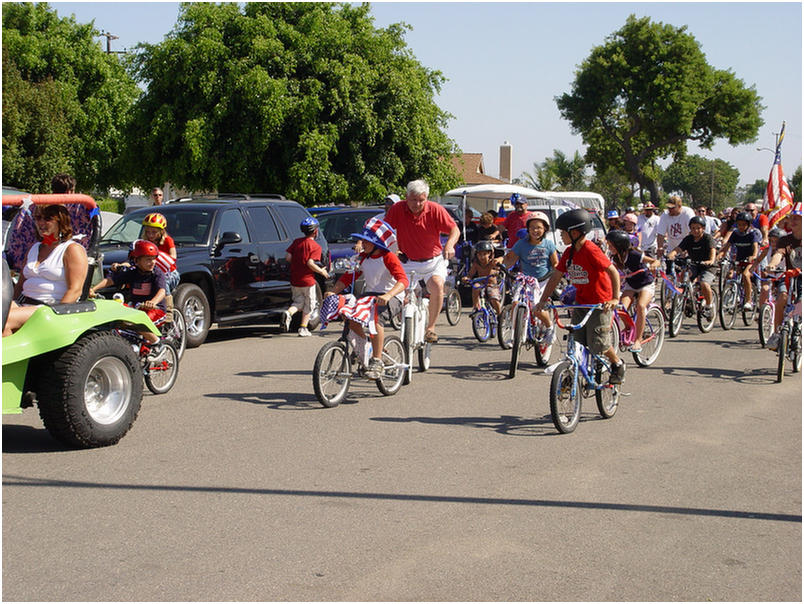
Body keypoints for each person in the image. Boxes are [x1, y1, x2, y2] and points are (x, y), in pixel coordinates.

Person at [536, 208, 626, 385]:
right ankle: (575, 372)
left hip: (600, 303)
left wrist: (615, 298)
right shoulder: (569, 252)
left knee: (598, 343)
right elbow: (556, 276)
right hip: (581, 302)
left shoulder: (591, 250)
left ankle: (617, 364)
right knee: (577, 340)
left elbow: (613, 272)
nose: (561, 236)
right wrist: (542, 300)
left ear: (575, 232)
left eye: (563, 232)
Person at [325, 218, 408, 379]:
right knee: (348, 315)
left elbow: (403, 280)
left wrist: (388, 295)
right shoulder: (362, 258)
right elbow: (348, 277)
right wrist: (333, 292)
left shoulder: (388, 257)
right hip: (371, 296)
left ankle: (376, 361)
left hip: (391, 296)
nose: (362, 243)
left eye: (366, 241)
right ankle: (366, 347)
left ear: (376, 244)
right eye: (362, 240)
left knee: (375, 320)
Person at [384, 179, 460, 343]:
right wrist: (365, 243)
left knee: (437, 285)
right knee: (400, 294)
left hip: (432, 261)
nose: (417, 204)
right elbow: (384, 229)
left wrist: (450, 245)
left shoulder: (435, 209)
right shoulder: (398, 209)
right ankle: (405, 318)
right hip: (407, 261)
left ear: (426, 198)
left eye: (421, 200)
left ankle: (431, 328)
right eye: (413, 200)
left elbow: (454, 229)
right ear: (406, 197)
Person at [3, 204, 89, 336]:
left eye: (48, 218)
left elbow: (75, 290)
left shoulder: (72, 249)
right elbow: (20, 285)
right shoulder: (34, 248)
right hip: (24, 303)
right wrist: (9, 303)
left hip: (49, 309)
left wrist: (58, 315)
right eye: (38, 218)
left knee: (4, 320)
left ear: (60, 221)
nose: (41, 223)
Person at [89, 240, 165, 345]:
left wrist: (153, 302)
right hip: (136, 309)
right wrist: (93, 289)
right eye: (148, 260)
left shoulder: (157, 273)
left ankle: (157, 343)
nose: (152, 262)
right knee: (115, 318)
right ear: (137, 261)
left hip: (155, 310)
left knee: (139, 324)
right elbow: (111, 280)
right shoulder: (132, 273)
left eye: (154, 259)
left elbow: (162, 291)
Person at [502, 211, 559, 342]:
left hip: (543, 280)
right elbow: (510, 259)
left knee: (536, 307)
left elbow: (555, 262)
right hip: (526, 280)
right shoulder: (521, 244)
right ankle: (514, 334)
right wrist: (500, 261)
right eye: (532, 227)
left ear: (545, 229)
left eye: (539, 227)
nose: (535, 230)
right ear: (527, 229)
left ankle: (549, 328)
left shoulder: (549, 244)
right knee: (516, 303)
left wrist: (558, 271)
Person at [605, 230, 660, 352]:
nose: (609, 247)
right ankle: (630, 327)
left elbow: (653, 261)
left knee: (640, 306)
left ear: (620, 245)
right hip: (631, 285)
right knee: (620, 308)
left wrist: (654, 265)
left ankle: (638, 340)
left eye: (611, 245)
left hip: (645, 284)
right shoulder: (615, 257)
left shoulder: (634, 255)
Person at [282, 217, 330, 336]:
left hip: (295, 279)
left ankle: (288, 313)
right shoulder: (315, 246)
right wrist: (321, 272)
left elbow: (288, 257)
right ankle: (303, 328)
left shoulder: (297, 242)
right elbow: (310, 263)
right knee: (310, 304)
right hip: (308, 281)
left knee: (298, 302)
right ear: (316, 231)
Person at [764, 205, 802, 351]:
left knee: (801, 303)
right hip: (789, 277)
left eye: (797, 218)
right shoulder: (785, 240)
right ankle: (777, 334)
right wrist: (772, 265)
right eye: (791, 218)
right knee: (782, 298)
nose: (793, 221)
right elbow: (778, 255)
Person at [666, 216, 717, 315]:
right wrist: (672, 254)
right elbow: (679, 248)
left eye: (698, 228)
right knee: (683, 278)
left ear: (703, 228)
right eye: (693, 228)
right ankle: (688, 297)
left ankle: (709, 306)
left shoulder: (707, 238)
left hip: (708, 266)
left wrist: (710, 260)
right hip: (694, 264)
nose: (695, 230)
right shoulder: (688, 239)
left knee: (704, 284)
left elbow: (712, 250)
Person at [717, 211, 761, 310]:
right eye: (739, 224)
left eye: (744, 225)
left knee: (745, 275)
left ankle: (749, 301)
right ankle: (729, 295)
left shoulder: (753, 233)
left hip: (750, 261)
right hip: (739, 260)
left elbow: (755, 247)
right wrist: (720, 255)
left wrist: (753, 256)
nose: (741, 227)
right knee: (729, 275)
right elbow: (726, 247)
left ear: (749, 224)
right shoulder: (735, 234)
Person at [657, 195, 696, 276]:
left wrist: (685, 248)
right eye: (669, 208)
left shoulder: (688, 213)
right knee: (670, 273)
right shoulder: (665, 215)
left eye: (672, 208)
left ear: (679, 206)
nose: (670, 210)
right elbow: (661, 234)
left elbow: (692, 232)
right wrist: (660, 247)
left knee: (686, 275)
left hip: (686, 248)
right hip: (672, 249)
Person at [464, 240, 503, 314]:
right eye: (479, 254)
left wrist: (496, 272)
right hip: (481, 284)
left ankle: (499, 314)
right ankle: (476, 307)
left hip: (492, 285)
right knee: (475, 287)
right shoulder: (476, 264)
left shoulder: (492, 262)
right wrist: (467, 278)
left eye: (484, 254)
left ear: (489, 254)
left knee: (493, 299)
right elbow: (470, 275)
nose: (482, 257)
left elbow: (499, 267)